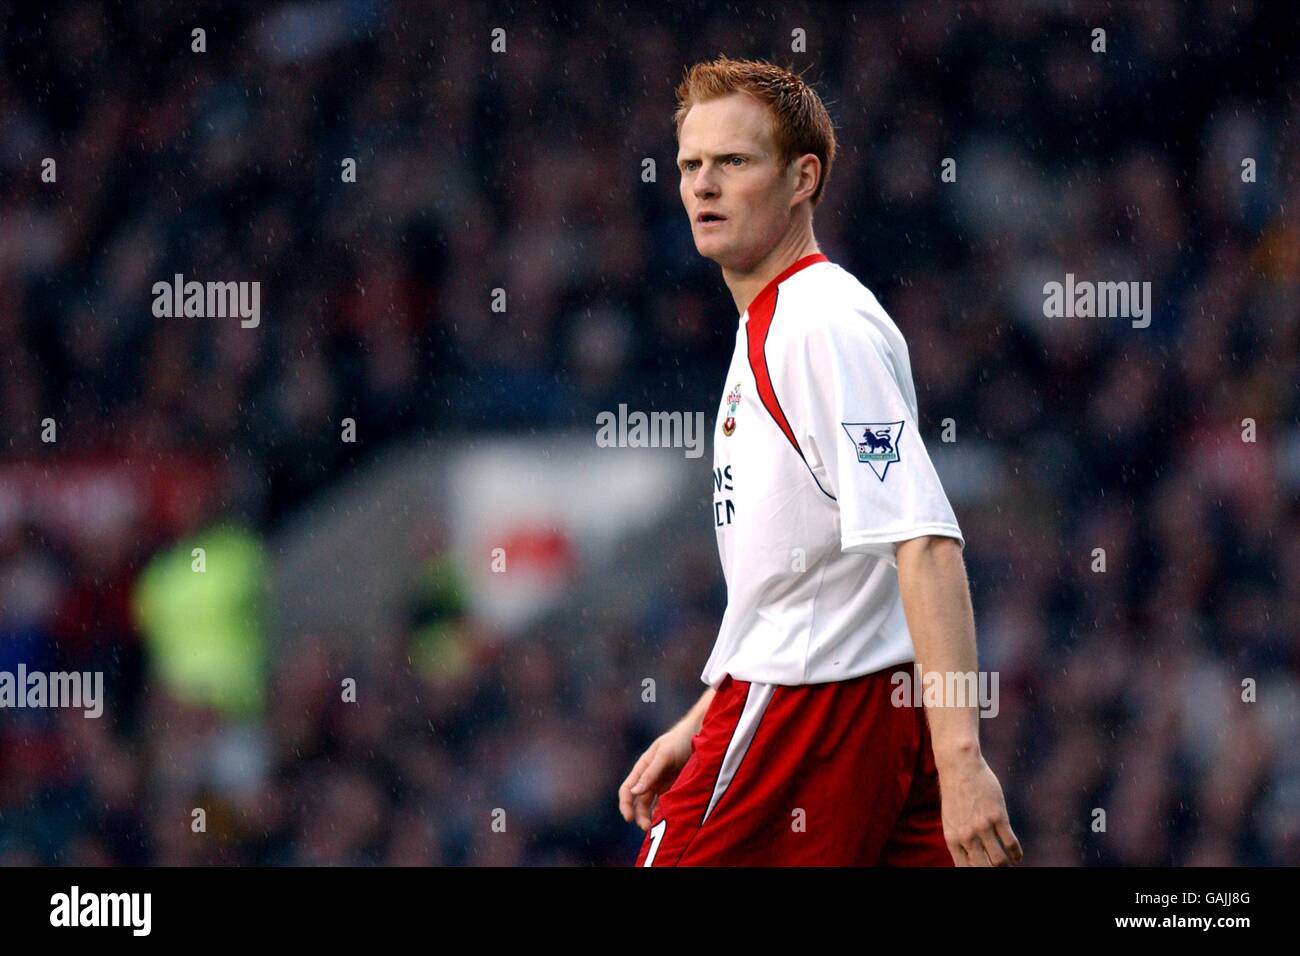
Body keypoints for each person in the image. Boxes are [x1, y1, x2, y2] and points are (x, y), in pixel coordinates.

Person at [618, 55, 1022, 866]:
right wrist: (701, 723)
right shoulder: (776, 319)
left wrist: (964, 762)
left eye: (734, 162)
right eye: (691, 165)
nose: (703, 185)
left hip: (808, 721)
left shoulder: (815, 324)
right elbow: (817, 586)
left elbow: (925, 543)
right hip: (844, 712)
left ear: (804, 177)